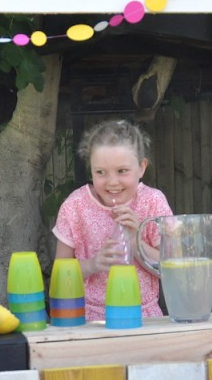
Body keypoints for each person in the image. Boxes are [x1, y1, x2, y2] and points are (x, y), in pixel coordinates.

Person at [53, 119, 172, 321]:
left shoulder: (153, 202)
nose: (112, 182)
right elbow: (58, 277)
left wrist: (135, 241)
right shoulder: (75, 206)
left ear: (142, 167)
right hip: (89, 320)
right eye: (100, 172)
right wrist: (93, 265)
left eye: (122, 171)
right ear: (90, 170)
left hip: (145, 319)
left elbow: (171, 270)